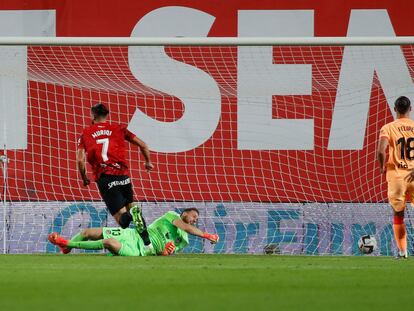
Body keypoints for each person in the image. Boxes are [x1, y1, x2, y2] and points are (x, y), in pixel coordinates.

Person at [77, 103, 154, 235]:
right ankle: (146, 240)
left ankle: (129, 216)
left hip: (105, 178)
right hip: (123, 177)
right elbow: (143, 145)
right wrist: (148, 162)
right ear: (107, 115)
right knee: (131, 205)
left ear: (92, 115)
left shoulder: (85, 134)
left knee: (121, 220)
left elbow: (80, 159)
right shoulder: (119, 129)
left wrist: (84, 178)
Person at [48, 208, 219, 256]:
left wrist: (164, 252)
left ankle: (66, 243)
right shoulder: (172, 216)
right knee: (87, 232)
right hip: (133, 234)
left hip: (141, 251)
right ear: (185, 213)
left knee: (109, 243)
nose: (195, 219)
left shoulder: (184, 241)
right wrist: (207, 235)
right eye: (194, 215)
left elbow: (163, 254)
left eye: (197, 218)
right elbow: (186, 227)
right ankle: (67, 248)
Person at [378, 95, 414, 259]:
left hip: (397, 176)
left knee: (398, 215)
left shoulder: (388, 127)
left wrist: (382, 166)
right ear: (410, 109)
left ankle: (402, 252)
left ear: (394, 109)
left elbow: (380, 150)